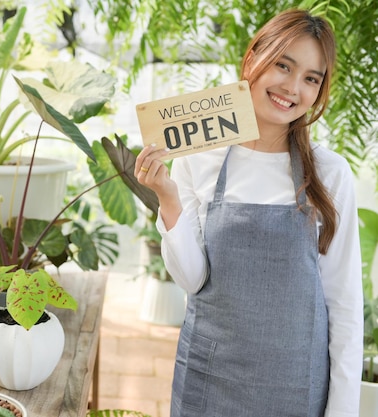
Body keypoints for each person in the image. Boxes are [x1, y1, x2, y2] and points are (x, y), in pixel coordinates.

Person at [134, 9, 363, 417]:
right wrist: (167, 199)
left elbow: (344, 306)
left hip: (296, 387)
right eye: (283, 65)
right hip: (209, 380)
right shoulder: (198, 158)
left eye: (312, 78)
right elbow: (194, 279)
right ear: (253, 58)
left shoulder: (331, 173)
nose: (293, 88)